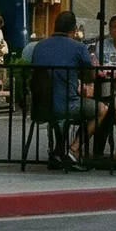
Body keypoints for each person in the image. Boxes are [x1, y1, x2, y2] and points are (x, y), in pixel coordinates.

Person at [28, 10, 97, 167]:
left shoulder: (39, 46)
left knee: (61, 110)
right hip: (66, 104)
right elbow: (90, 77)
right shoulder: (78, 47)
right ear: (73, 30)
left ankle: (59, 150)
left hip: (41, 106)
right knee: (103, 110)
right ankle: (74, 149)